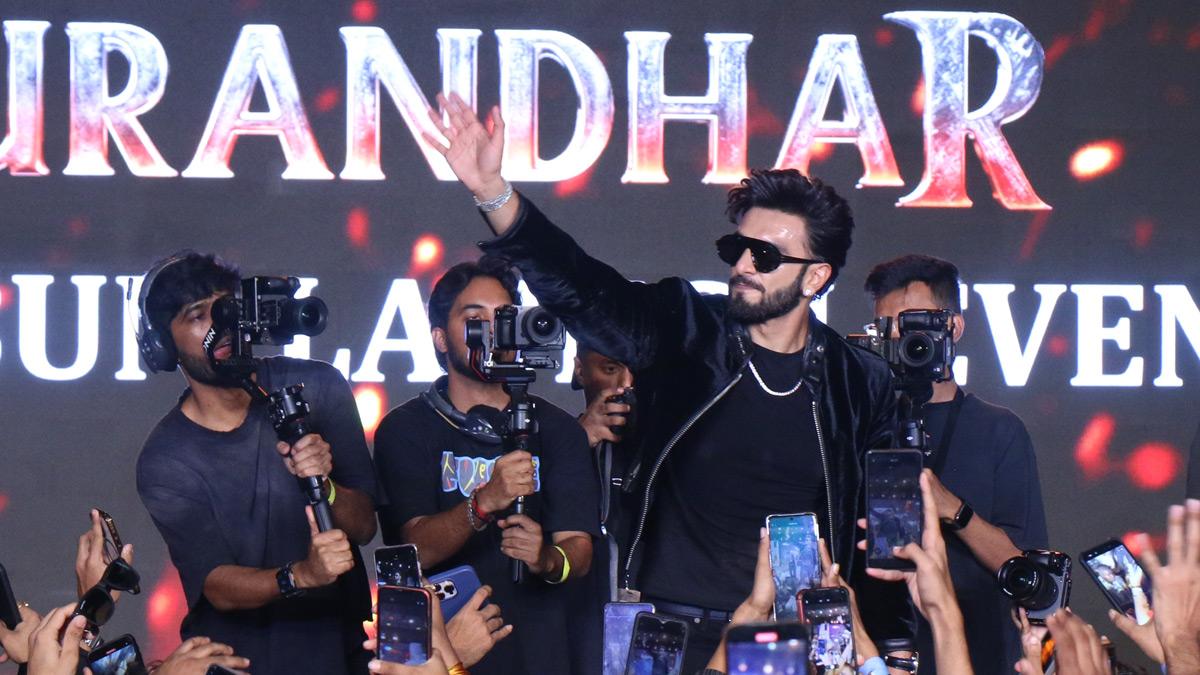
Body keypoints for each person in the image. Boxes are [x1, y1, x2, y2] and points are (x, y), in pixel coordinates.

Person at [426, 92, 912, 673]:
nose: (742, 266)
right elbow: (583, 289)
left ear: (816, 277)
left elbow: (883, 540)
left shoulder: (860, 382)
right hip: (667, 638)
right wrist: (493, 192)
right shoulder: (686, 326)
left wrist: (895, 650)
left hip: (793, 643)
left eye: (765, 256)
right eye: (738, 248)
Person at [134, 252, 379, 675]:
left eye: (226, 308)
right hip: (237, 661)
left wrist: (326, 486)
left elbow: (363, 526)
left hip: (340, 651)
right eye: (197, 316)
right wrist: (302, 575)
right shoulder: (166, 458)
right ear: (163, 344)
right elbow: (216, 585)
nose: (220, 325)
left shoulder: (317, 387)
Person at [372, 257, 600, 675]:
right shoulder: (405, 428)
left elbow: (579, 551)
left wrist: (546, 559)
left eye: (503, 317)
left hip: (541, 652)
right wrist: (482, 503)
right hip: (444, 649)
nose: (492, 331)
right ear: (440, 338)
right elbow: (415, 550)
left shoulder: (558, 430)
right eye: (475, 319)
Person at [865, 254, 1048, 674]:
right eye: (887, 327)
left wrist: (954, 510)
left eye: (913, 324)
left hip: (977, 650)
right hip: (883, 653)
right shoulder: (864, 425)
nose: (901, 339)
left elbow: (1025, 569)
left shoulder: (999, 430)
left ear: (954, 327)